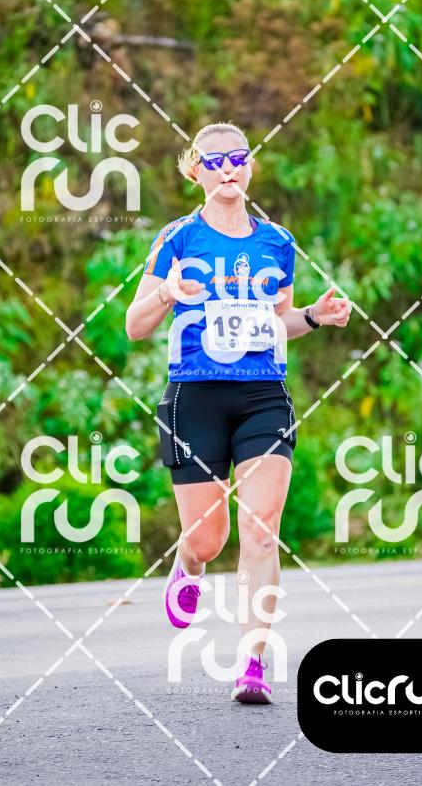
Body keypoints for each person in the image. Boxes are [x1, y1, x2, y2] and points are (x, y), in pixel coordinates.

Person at [126, 121, 351, 702]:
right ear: (194, 171)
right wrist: (167, 293)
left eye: (238, 157)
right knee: (210, 539)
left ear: (251, 167)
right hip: (195, 396)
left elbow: (279, 321)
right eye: (214, 160)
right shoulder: (178, 238)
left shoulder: (277, 242)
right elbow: (135, 325)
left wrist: (315, 317)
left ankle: (252, 663)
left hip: (262, 396)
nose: (228, 167)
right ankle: (189, 565)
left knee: (260, 528)